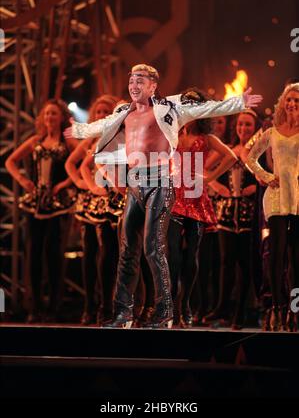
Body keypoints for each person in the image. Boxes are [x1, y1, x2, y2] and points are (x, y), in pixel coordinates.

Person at [64, 63, 262, 329]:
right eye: (132, 80)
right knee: (127, 252)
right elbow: (102, 125)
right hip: (135, 182)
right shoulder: (123, 111)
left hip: (160, 182)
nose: (134, 85)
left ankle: (165, 312)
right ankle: (123, 314)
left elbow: (205, 108)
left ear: (153, 86)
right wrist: (79, 130)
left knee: (153, 249)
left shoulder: (168, 109)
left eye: (141, 81)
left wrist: (238, 102)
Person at [168, 88, 237, 328]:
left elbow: (230, 157)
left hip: (196, 199)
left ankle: (186, 303)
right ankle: (175, 307)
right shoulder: (172, 133)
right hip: (174, 198)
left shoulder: (206, 138)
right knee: (173, 256)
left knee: (190, 257)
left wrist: (209, 178)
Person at [5, 99, 78, 322]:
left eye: (53, 114)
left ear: (61, 117)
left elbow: (84, 161)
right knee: (33, 254)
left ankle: (53, 307)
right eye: (46, 114)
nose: (49, 118)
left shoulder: (68, 141)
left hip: (57, 205)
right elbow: (11, 161)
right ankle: (34, 306)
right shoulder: (36, 140)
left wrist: (65, 184)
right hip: (35, 202)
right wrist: (22, 180)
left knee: (54, 254)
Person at [246, 83, 299, 332]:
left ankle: (293, 311)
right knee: (276, 256)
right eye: (290, 99)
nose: (293, 104)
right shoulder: (272, 131)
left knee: (295, 259)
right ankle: (276, 309)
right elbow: (250, 156)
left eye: (297, 101)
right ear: (283, 102)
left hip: (298, 197)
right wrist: (266, 177)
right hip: (277, 196)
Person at [65, 95, 120, 325]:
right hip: (92, 200)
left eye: (105, 112)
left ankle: (108, 304)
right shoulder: (90, 138)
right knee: (89, 252)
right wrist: (84, 184)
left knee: (111, 251)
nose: (101, 115)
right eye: (98, 112)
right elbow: (72, 164)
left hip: (112, 198)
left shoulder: (117, 136)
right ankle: (91, 305)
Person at [203, 110, 260, 329]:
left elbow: (268, 174)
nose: (243, 129)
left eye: (248, 125)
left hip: (249, 212)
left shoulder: (259, 149)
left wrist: (255, 187)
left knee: (244, 263)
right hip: (226, 212)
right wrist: (217, 186)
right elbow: (204, 169)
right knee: (226, 261)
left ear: (254, 127)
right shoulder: (229, 149)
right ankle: (222, 307)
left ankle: (240, 311)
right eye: (240, 125)